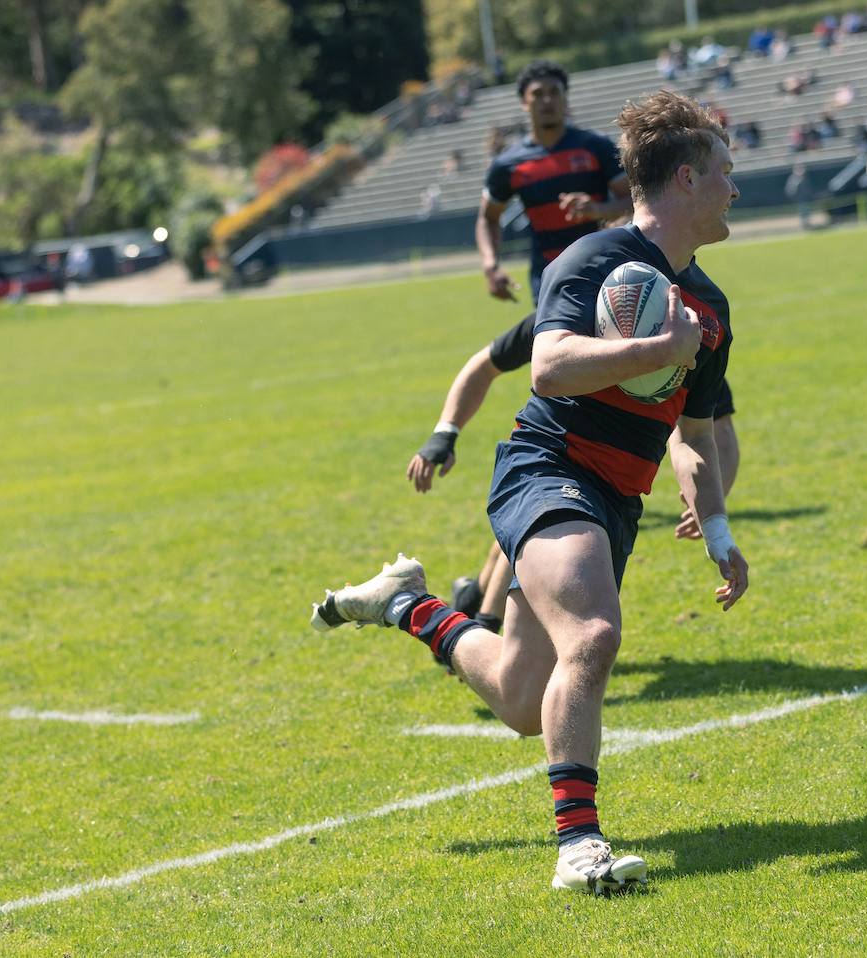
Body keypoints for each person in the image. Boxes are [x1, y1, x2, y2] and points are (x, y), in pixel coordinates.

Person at [314, 91, 748, 895]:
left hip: (616, 501)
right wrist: (659, 344)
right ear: (686, 178)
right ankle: (579, 847)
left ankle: (405, 605)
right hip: (547, 470)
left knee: (520, 698)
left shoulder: (711, 309)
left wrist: (717, 529)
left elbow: (692, 437)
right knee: (592, 634)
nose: (736, 187)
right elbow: (548, 366)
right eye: (726, 171)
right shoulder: (592, 260)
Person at [404, 310, 741, 637]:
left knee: (563, 625)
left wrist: (712, 502)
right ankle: (480, 623)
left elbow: (711, 432)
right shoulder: (569, 313)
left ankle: (470, 599)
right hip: (556, 464)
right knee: (547, 531)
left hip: (618, 491)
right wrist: (444, 433)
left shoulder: (687, 332)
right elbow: (486, 364)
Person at [476, 61, 634, 305]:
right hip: (548, 279)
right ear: (524, 102)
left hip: (605, 271)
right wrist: (490, 266)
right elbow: (488, 218)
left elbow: (637, 201)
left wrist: (598, 210)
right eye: (538, 94)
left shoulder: (596, 147)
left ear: (565, 99)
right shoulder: (507, 164)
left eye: (554, 92)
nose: (547, 100)